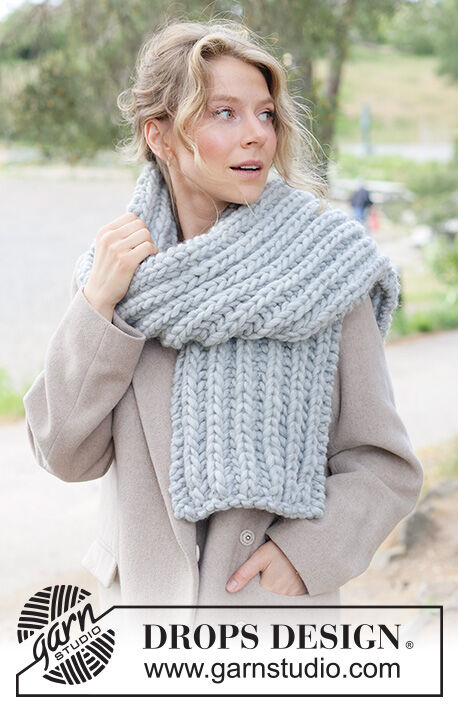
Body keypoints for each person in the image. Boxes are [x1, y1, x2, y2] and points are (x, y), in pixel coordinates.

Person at [23, 20, 423, 625]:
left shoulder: (324, 267)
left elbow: (384, 465)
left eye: (265, 114)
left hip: (272, 629)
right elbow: (63, 453)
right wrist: (97, 308)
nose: (257, 134)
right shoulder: (117, 277)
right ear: (159, 135)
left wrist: (302, 556)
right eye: (224, 113)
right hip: (140, 626)